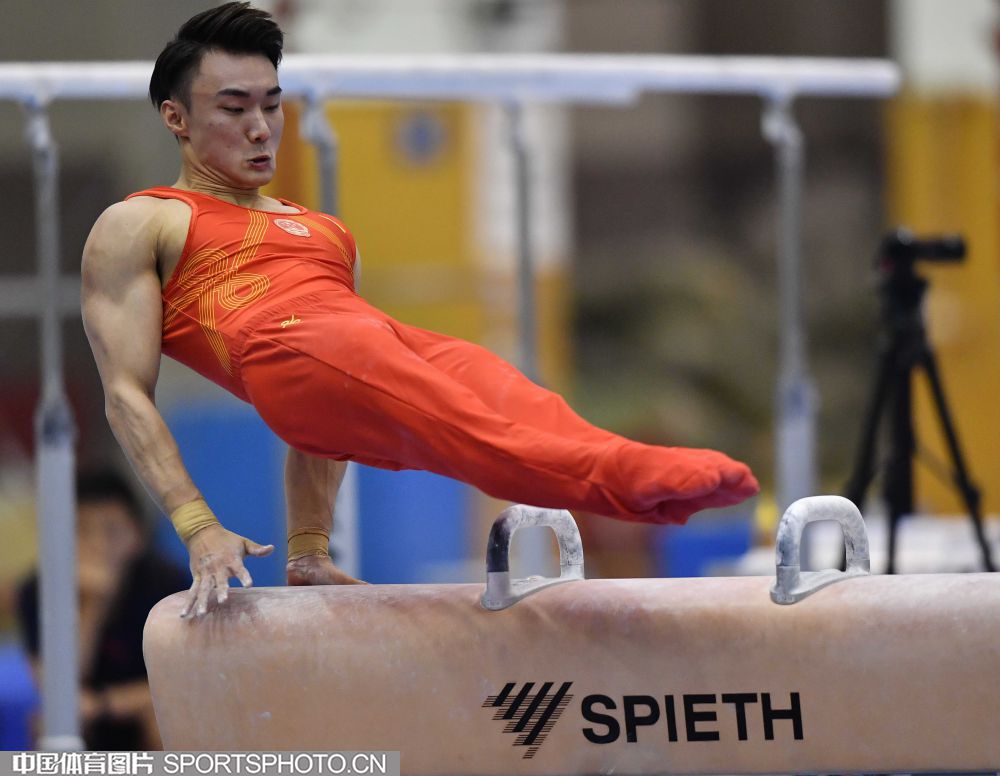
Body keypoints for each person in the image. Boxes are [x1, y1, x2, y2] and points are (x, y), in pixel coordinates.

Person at [81, 2, 759, 619]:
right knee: (474, 430)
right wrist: (198, 527)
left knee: (510, 392)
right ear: (176, 117)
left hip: (362, 345)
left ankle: (635, 468)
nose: (261, 128)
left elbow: (326, 428)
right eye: (233, 109)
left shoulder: (321, 229)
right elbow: (125, 395)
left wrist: (309, 547)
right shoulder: (142, 223)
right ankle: (635, 483)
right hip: (285, 349)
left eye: (272, 105)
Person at [17, 469, 189, 750]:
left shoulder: (169, 585)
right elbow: (55, 687)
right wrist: (91, 604)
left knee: (164, 719)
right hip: (84, 713)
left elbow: (182, 684)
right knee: (50, 724)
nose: (98, 544)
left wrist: (103, 704)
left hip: (138, 707)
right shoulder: (37, 590)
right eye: (82, 529)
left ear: (137, 534)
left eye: (111, 530)